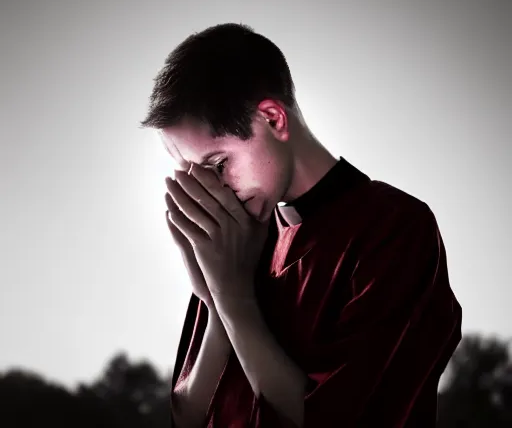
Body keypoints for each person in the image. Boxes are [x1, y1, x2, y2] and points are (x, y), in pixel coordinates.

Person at [139, 23, 462, 427]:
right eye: (194, 177)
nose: (214, 193)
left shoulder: (394, 229)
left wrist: (233, 296)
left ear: (273, 119)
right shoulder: (235, 241)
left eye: (219, 165)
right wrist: (214, 299)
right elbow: (187, 416)